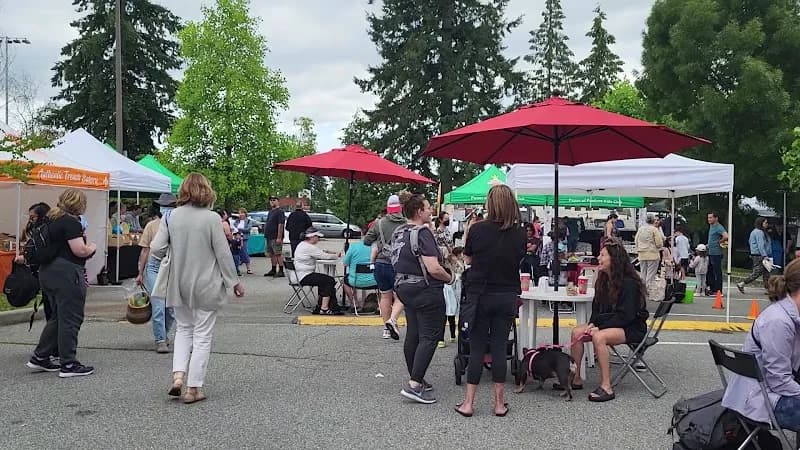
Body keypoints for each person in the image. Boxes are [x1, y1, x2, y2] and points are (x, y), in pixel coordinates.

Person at [150, 173, 244, 404]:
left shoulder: (170, 217)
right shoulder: (212, 218)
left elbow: (156, 248)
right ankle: (194, 388)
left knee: (183, 330)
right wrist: (234, 282)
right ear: (206, 191)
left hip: (177, 284)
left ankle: (178, 376)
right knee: (202, 336)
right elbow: (223, 254)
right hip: (206, 284)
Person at [455, 185, 526, 417]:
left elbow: (468, 258)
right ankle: (498, 403)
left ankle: (468, 403)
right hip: (506, 295)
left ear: (490, 204)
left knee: (476, 348)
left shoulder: (477, 229)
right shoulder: (519, 233)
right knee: (498, 347)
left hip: (480, 294)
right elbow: (519, 258)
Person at [721, 258, 800, 434]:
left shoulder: (788, 313)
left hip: (768, 387)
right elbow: (779, 381)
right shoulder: (779, 322)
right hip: (760, 399)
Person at [26, 189, 98, 377]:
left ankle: (40, 357)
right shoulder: (70, 223)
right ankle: (69, 363)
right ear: (79, 204)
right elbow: (79, 250)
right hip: (66, 273)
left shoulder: (50, 220)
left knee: (57, 316)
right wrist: (92, 247)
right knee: (71, 318)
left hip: (47, 272)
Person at [567, 238, 648, 402]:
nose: (598, 258)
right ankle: (576, 378)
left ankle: (606, 386)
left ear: (614, 258)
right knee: (577, 332)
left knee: (599, 337)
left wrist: (600, 328)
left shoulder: (630, 284)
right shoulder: (602, 280)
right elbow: (596, 309)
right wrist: (592, 324)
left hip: (632, 327)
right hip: (610, 324)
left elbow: (626, 316)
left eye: (602, 255)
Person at [392, 194, 453, 404]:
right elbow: (434, 268)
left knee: (414, 334)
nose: (431, 211)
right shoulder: (423, 232)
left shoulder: (400, 231)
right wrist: (449, 278)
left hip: (404, 287)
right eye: (428, 208)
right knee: (431, 335)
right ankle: (415, 384)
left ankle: (415, 377)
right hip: (425, 290)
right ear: (419, 211)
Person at [363, 193, 408, 340]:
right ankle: (393, 320)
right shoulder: (406, 223)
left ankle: (386, 329)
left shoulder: (380, 223)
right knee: (402, 295)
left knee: (385, 296)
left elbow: (367, 241)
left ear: (388, 208)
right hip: (399, 264)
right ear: (400, 208)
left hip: (381, 264)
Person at [135, 193, 177, 353]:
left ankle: (164, 335)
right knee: (158, 304)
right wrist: (140, 272)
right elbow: (145, 250)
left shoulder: (178, 224)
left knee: (170, 308)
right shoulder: (152, 225)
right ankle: (160, 339)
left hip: (172, 265)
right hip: (154, 266)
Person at [15, 203, 57, 359]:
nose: (30, 219)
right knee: (51, 312)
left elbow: (42, 253)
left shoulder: (46, 230)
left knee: (53, 313)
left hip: (49, 274)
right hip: (44, 274)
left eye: (33, 217)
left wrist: (26, 258)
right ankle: (53, 347)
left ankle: (53, 348)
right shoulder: (36, 229)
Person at [293, 227, 342, 315]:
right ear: (312, 237)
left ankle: (327, 305)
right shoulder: (309, 247)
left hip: (299, 275)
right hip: (305, 275)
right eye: (318, 237)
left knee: (323, 280)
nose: (319, 239)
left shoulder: (302, 244)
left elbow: (319, 252)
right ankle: (324, 308)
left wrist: (328, 252)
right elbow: (324, 256)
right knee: (329, 280)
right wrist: (336, 255)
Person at [738, 217, 771, 294]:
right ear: (761, 223)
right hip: (759, 255)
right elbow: (761, 245)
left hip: (759, 254)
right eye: (765, 223)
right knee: (758, 271)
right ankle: (742, 283)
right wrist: (764, 255)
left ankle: (768, 288)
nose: (767, 224)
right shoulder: (759, 232)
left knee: (767, 272)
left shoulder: (757, 232)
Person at [341, 239, 376, 311]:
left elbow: (345, 263)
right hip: (375, 281)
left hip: (355, 281)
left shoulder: (354, 246)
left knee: (345, 281)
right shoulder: (376, 247)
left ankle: (354, 303)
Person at [440, 247, 465, 348]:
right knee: (447, 314)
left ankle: (453, 335)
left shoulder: (459, 263)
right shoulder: (448, 265)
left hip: (455, 291)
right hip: (448, 290)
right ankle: (442, 338)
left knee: (451, 314)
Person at [635, 216, 663, 295]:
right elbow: (659, 242)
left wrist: (639, 248)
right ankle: (647, 289)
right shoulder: (654, 229)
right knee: (651, 273)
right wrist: (659, 247)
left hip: (642, 254)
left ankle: (641, 289)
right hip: (652, 253)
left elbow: (636, 240)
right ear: (653, 221)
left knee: (643, 272)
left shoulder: (641, 229)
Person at [706, 212, 729, 295]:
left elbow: (726, 236)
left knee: (717, 272)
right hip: (711, 252)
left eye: (711, 218)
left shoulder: (719, 227)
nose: (709, 219)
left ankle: (718, 290)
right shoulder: (712, 226)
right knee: (710, 271)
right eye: (708, 218)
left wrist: (720, 241)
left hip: (716, 253)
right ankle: (712, 288)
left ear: (716, 218)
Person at [263, 196, 285, 278]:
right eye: (271, 200)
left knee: (278, 253)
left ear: (278, 201)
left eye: (274, 200)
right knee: (272, 254)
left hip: (276, 236)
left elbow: (281, 224)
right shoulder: (271, 212)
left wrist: (279, 237)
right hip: (269, 236)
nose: (272, 202)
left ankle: (281, 270)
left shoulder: (280, 212)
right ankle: (273, 269)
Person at [232, 209, 256, 274]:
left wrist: (240, 229)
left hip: (244, 238)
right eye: (240, 213)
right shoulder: (237, 221)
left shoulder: (249, 221)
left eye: (242, 213)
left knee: (244, 252)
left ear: (245, 214)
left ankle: (248, 268)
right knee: (236, 253)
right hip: (236, 239)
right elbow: (234, 226)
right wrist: (241, 229)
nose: (241, 214)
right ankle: (237, 268)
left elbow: (248, 229)